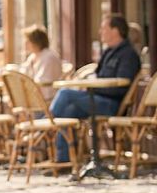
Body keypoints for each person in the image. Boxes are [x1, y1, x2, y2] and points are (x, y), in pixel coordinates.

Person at [50, 14, 141, 162]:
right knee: (68, 111)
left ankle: (45, 126)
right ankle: (64, 160)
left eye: (104, 28)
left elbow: (120, 87)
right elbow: (98, 77)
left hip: (111, 105)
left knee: (65, 94)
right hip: (96, 99)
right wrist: (90, 85)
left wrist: (92, 88)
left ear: (115, 31)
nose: (100, 32)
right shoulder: (108, 52)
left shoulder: (128, 54)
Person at [18, 25, 63, 102]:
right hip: (33, 97)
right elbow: (22, 74)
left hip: (47, 99)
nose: (24, 43)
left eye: (28, 41)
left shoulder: (48, 57)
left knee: (3, 104)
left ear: (36, 42)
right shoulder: (33, 57)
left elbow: (42, 82)